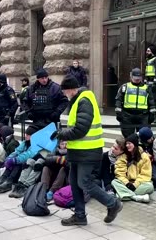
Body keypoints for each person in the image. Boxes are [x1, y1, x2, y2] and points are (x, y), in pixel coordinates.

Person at [50, 75, 122, 226]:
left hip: (88, 151)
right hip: (78, 151)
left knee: (84, 183)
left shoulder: (84, 101)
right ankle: (80, 215)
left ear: (72, 89)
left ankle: (112, 203)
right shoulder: (77, 100)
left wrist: (61, 134)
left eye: (65, 91)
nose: (64, 94)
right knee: (75, 184)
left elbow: (81, 129)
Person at [0, 125, 41, 193]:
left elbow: (28, 155)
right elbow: (17, 151)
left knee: (17, 163)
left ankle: (9, 181)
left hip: (27, 166)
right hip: (22, 164)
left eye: (28, 135)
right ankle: (3, 179)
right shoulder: (25, 143)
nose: (26, 136)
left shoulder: (36, 146)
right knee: (12, 162)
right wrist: (9, 158)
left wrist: (15, 160)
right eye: (26, 134)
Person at [112, 134, 154, 203]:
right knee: (114, 182)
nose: (127, 145)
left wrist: (135, 184)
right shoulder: (124, 156)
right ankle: (135, 197)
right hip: (127, 183)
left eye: (129, 143)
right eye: (126, 144)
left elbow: (145, 174)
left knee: (150, 187)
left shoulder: (144, 157)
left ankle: (123, 194)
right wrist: (127, 183)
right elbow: (119, 173)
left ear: (135, 144)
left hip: (139, 183)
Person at [115, 68, 156, 138]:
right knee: (128, 137)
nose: (137, 79)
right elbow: (118, 100)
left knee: (144, 137)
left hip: (143, 116)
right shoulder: (125, 87)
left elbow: (151, 102)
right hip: (127, 116)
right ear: (131, 76)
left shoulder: (147, 88)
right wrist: (119, 114)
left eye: (139, 77)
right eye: (135, 77)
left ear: (141, 77)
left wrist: (152, 115)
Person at [145, 45, 156, 122]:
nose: (147, 52)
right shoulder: (148, 60)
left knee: (155, 100)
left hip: (154, 83)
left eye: (148, 51)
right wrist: (145, 79)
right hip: (149, 82)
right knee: (149, 99)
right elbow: (147, 71)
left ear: (152, 51)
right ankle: (151, 116)